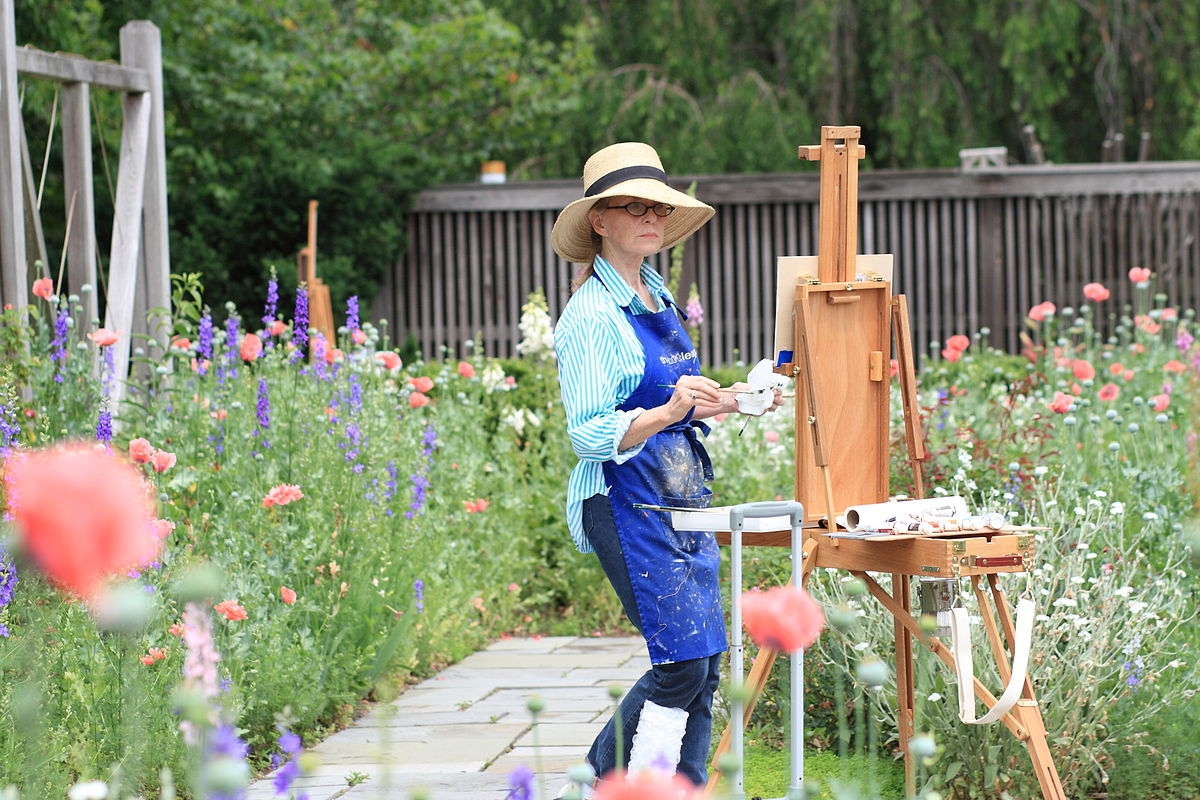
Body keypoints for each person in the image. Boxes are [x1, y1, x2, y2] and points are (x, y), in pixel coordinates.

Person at [550, 142, 781, 792]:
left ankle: (685, 788)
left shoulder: (656, 297)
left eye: (659, 207)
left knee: (706, 663)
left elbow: (677, 404)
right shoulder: (588, 318)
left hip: (681, 498)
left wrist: (737, 400)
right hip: (621, 503)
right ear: (599, 220)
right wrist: (670, 409)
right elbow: (589, 434)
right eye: (635, 207)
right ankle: (592, 783)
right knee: (680, 663)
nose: (651, 217)